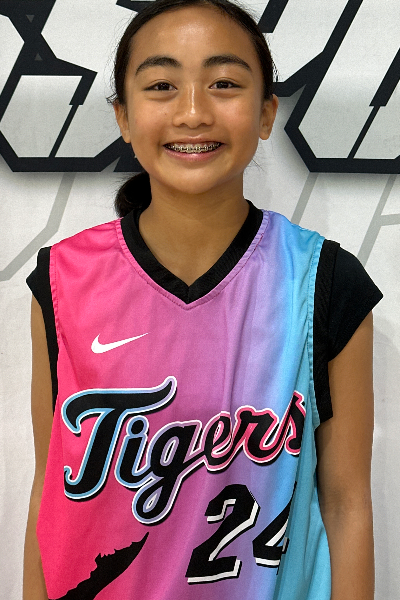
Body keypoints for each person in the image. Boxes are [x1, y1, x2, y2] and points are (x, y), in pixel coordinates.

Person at [24, 0, 382, 598]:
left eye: (224, 84)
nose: (193, 112)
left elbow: (347, 506)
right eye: (162, 86)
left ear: (266, 112)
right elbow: (50, 492)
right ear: (123, 116)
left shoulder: (323, 281)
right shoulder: (62, 278)